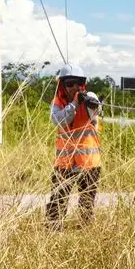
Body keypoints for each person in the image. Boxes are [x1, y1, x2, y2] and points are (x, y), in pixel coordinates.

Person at [47, 64, 102, 229]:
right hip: (64, 162)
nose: (74, 87)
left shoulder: (89, 97)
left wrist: (90, 103)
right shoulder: (57, 103)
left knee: (87, 201)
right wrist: (74, 105)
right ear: (62, 86)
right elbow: (60, 120)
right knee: (58, 198)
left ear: (82, 84)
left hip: (89, 162)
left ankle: (85, 230)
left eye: (78, 83)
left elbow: (98, 109)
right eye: (70, 84)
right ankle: (54, 230)